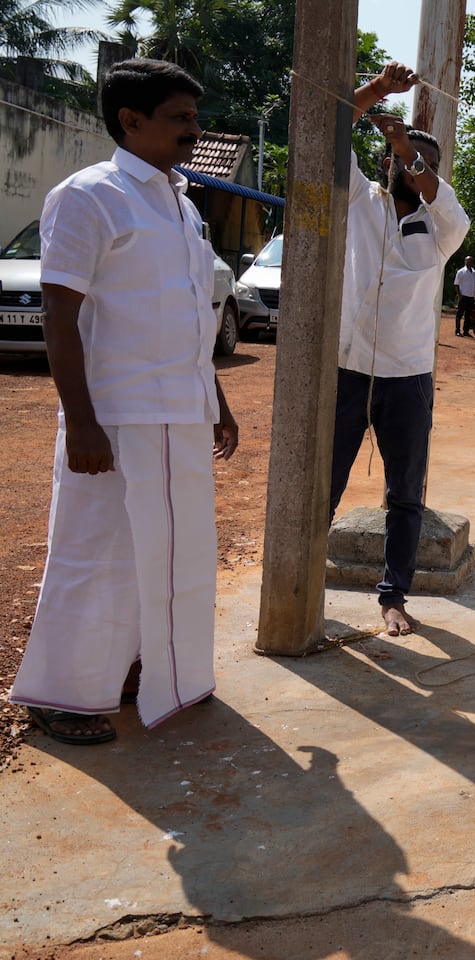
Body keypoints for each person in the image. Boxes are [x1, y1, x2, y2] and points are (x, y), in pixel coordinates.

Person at [8, 58, 239, 744]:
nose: (194, 131)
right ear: (130, 121)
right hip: (115, 415)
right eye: (180, 118)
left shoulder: (181, 203)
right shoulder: (90, 196)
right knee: (97, 552)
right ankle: (61, 694)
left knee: (175, 552)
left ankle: (152, 670)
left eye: (194, 118)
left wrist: (218, 398)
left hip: (182, 412)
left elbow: (195, 315)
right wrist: (79, 420)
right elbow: (60, 313)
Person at [329, 62, 470, 637]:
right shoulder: (360, 202)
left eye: (421, 163)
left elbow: (439, 196)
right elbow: (329, 125)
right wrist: (377, 92)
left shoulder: (443, 228)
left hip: (406, 377)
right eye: (401, 159)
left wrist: (407, 149)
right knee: (325, 482)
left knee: (404, 494)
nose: (409, 168)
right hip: (348, 370)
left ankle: (394, 597)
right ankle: (303, 576)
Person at [454, 254, 475, 336]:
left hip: (471, 297)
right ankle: (457, 331)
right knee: (459, 314)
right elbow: (456, 284)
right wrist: (460, 296)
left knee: (468, 315)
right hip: (463, 296)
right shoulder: (461, 272)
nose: (469, 262)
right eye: (468, 261)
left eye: (471, 261)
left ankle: (466, 331)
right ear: (465, 262)